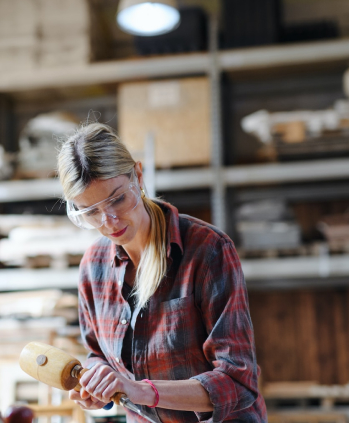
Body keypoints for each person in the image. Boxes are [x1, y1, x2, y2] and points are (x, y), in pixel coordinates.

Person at [57, 123, 267, 423]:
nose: (110, 220)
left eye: (117, 199)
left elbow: (239, 381)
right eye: (90, 212)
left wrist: (141, 391)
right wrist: (97, 383)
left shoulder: (207, 250)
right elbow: (98, 355)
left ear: (138, 176)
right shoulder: (94, 267)